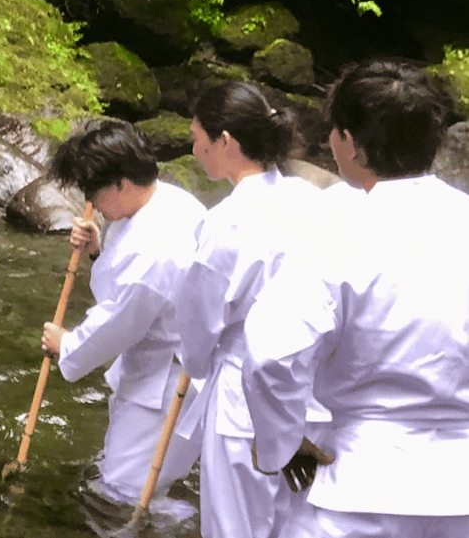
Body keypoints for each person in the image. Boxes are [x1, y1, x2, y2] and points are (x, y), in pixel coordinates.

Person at [243, 59, 469, 538]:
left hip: (361, 488)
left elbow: (270, 355)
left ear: (348, 142)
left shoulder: (334, 229)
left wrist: (281, 442)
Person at [174, 82, 326, 538]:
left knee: (234, 526)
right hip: (314, 393)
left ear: (225, 141)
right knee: (296, 525)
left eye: (198, 136)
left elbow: (199, 323)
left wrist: (197, 360)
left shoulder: (226, 221)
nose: (195, 149)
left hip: (244, 395)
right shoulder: (313, 201)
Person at [39, 118, 206, 504]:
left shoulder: (155, 247)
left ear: (121, 184)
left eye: (92, 190)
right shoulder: (169, 201)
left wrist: (67, 344)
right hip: (164, 358)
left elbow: (119, 319)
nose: (91, 201)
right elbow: (129, 290)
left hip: (167, 379)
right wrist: (100, 250)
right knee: (137, 476)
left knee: (125, 491)